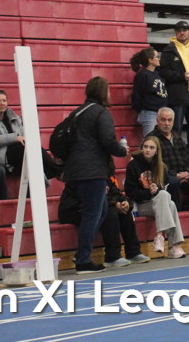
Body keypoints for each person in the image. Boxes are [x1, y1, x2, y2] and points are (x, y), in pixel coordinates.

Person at [62, 77, 130, 274]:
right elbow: (107, 140)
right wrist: (121, 150)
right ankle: (83, 259)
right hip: (91, 171)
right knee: (92, 214)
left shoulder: (77, 112)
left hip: (75, 170)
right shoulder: (101, 113)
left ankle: (82, 254)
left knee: (101, 211)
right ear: (103, 92)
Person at [58, 176, 150, 268]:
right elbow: (91, 199)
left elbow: (116, 193)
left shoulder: (105, 177)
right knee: (110, 211)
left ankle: (133, 252)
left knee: (125, 212)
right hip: (74, 210)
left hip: (95, 207)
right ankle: (112, 256)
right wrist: (114, 204)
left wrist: (124, 202)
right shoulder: (81, 177)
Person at [125, 136, 187, 259]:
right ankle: (171, 244)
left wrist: (156, 191)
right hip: (141, 205)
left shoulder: (161, 167)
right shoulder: (133, 165)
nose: (147, 150)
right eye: (145, 147)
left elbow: (163, 190)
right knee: (166, 199)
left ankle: (163, 239)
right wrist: (149, 193)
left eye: (151, 147)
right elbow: (130, 192)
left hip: (158, 204)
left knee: (169, 202)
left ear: (157, 151)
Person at [0, 89, 62, 180]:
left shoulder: (13, 117)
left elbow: (24, 135)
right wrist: (15, 137)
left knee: (31, 148)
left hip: (17, 153)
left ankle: (53, 173)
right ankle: (57, 172)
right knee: (26, 149)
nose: (2, 103)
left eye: (4, 100)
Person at [158, 20, 189, 155]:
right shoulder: (168, 50)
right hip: (177, 94)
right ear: (175, 33)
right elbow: (163, 71)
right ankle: (177, 153)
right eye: (179, 30)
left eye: (184, 30)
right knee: (176, 126)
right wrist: (182, 76)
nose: (182, 33)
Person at [146, 107, 189, 208]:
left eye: (169, 120)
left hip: (183, 176)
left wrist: (187, 173)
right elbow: (154, 164)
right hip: (163, 177)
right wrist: (175, 175)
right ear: (157, 121)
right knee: (173, 182)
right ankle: (175, 211)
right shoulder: (151, 139)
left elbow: (188, 158)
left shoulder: (177, 137)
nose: (167, 123)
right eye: (163, 120)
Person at [130, 47, 168, 136]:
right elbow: (137, 94)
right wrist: (142, 110)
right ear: (150, 60)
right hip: (149, 112)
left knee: (159, 140)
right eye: (157, 57)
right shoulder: (143, 75)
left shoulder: (157, 74)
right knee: (149, 139)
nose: (159, 59)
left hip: (160, 112)